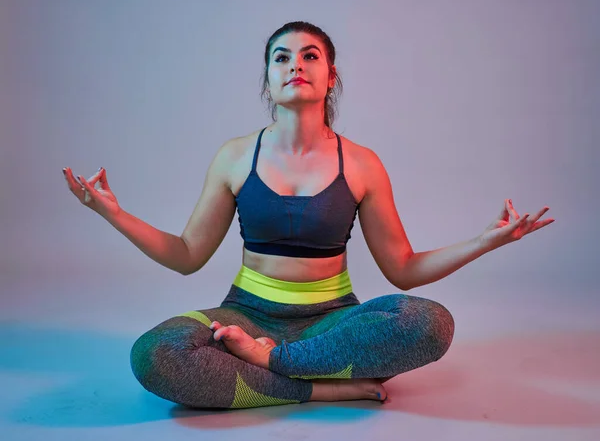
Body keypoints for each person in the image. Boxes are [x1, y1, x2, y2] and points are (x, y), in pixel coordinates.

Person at [63, 21, 554, 410]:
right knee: (154, 355)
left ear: (330, 76)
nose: (294, 65)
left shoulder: (362, 163)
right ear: (269, 79)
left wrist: (486, 240)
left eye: (309, 56)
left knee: (430, 323)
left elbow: (402, 269)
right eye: (281, 58)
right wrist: (114, 214)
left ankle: (273, 362)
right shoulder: (235, 156)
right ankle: (321, 386)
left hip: (331, 322)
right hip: (244, 314)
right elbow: (187, 255)